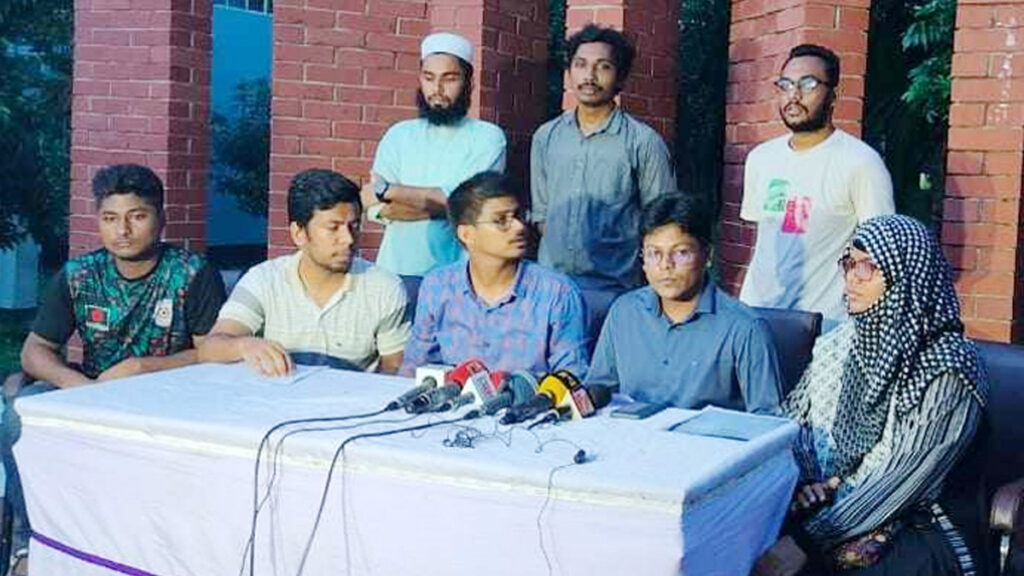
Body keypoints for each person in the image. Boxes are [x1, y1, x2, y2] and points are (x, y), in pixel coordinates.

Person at [5, 163, 227, 569]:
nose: (122, 230)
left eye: (136, 216)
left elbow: (213, 351)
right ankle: (26, 542)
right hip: (91, 389)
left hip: (169, 397)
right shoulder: (80, 275)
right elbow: (35, 351)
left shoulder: (192, 273)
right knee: (19, 410)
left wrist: (145, 367)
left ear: (161, 218)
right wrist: (80, 387)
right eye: (110, 218)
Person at [762, 215, 987, 576]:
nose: (852, 277)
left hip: (918, 522)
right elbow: (792, 422)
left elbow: (905, 479)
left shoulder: (948, 365)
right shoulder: (839, 344)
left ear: (906, 277)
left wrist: (808, 540)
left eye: (867, 267)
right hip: (829, 509)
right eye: (849, 263)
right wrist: (806, 482)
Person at [530, 23, 675, 340]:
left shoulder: (643, 142)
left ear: (620, 78)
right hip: (551, 289)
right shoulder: (546, 137)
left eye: (603, 67)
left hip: (614, 292)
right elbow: (542, 213)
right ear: (569, 72)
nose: (590, 76)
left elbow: (662, 223)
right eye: (581, 65)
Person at [739, 44, 894, 330]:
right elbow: (761, 242)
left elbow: (881, 255)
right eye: (786, 85)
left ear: (833, 96)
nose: (794, 95)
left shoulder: (860, 163)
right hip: (757, 318)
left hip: (823, 327)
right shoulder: (761, 158)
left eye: (808, 85)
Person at [199, 169, 409, 375]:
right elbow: (209, 348)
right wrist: (244, 346)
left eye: (353, 226)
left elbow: (396, 371)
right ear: (298, 233)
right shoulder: (263, 280)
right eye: (333, 228)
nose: (348, 239)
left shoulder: (384, 288)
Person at [585, 195, 783, 414]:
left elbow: (768, 420)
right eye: (654, 254)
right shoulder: (624, 313)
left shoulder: (744, 328)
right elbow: (599, 390)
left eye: (680, 253)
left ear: (707, 255)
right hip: (632, 433)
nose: (665, 265)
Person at [400, 171, 588, 378]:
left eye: (519, 216)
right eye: (501, 220)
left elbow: (572, 378)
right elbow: (414, 369)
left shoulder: (557, 292)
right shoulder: (437, 286)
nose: (518, 227)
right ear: (467, 234)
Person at [360, 31, 507, 286]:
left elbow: (468, 206)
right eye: (429, 78)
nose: (437, 89)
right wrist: (444, 206)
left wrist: (391, 191)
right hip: (394, 275)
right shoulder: (399, 135)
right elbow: (375, 207)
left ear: (468, 82)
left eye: (449, 78)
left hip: (459, 279)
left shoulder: (488, 138)